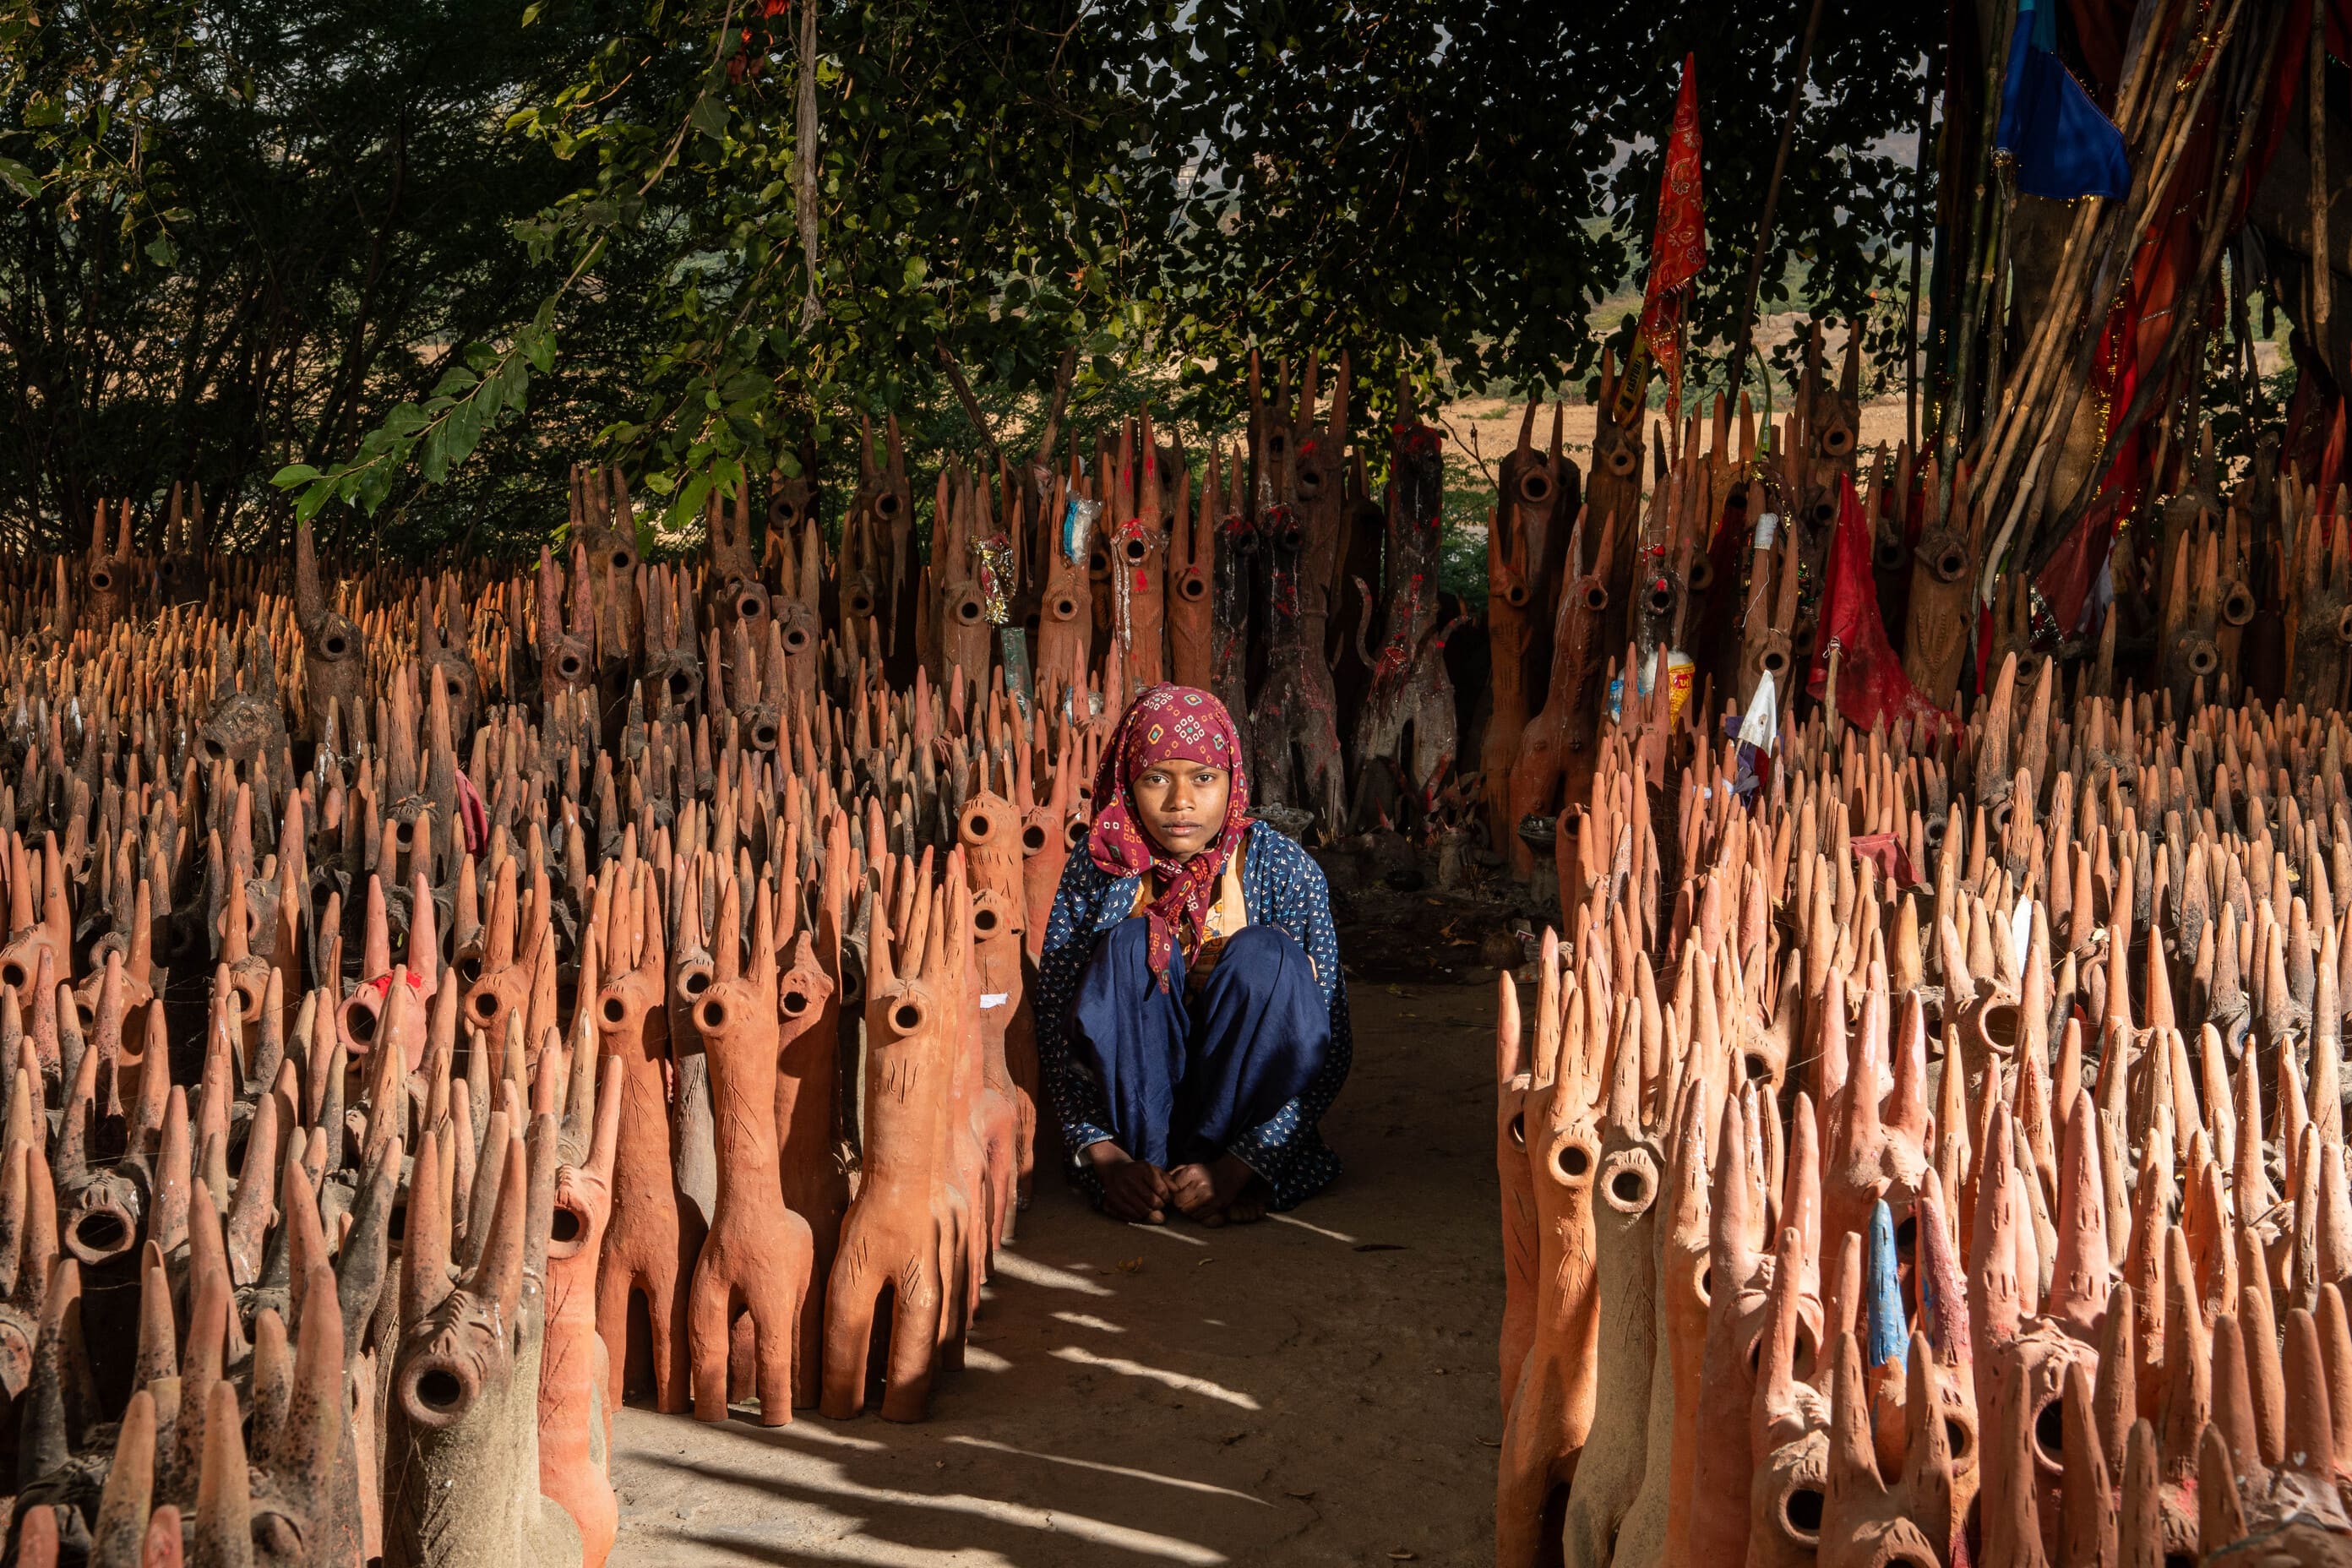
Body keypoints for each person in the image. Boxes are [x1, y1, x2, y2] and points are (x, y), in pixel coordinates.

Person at [1034, 683, 1351, 1225]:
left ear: (1232, 780)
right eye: (1157, 778)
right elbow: (1056, 1023)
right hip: (1134, 1122)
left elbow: (1328, 1042)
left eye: (1203, 779)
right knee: (1134, 946)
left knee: (1266, 959)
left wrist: (1243, 1163)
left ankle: (1226, 1174)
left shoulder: (1285, 868)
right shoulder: (1099, 867)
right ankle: (1152, 1176)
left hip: (1244, 1132)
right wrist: (1106, 1158)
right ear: (1128, 785)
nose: (1181, 802)